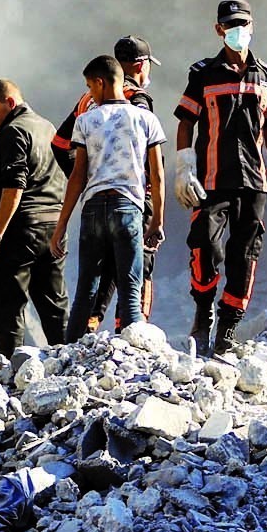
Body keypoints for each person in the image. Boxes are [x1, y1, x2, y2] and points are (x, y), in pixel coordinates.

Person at [173, 0, 267, 357]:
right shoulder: (202, 74)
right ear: (219, 30)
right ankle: (202, 312)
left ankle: (228, 326)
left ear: (253, 26)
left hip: (253, 183)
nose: (238, 31)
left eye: (243, 24)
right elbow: (186, 122)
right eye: (230, 25)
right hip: (211, 182)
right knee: (204, 246)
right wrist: (184, 168)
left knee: (245, 254)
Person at [50, 56, 166, 343]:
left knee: (86, 289)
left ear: (101, 83)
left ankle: (70, 351)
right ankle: (134, 351)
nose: (89, 93)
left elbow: (77, 176)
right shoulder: (147, 119)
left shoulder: (86, 121)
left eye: (90, 87)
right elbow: (157, 176)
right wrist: (157, 221)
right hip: (128, 209)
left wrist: (61, 226)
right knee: (130, 286)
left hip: (92, 210)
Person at [0, 78, 69, 356]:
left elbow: (16, 188)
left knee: (8, 306)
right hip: (53, 226)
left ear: (10, 102)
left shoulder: (13, 131)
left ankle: (9, 373)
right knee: (55, 308)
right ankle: (67, 364)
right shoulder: (47, 127)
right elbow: (51, 174)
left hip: (21, 231)